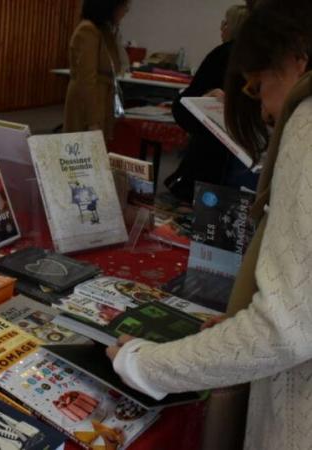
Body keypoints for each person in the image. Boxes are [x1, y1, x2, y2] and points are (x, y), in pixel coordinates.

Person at [106, 2, 312, 450]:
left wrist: (144, 364)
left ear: (296, 59)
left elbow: (285, 328)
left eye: (258, 89)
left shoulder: (308, 120)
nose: (263, 113)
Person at [165, 4, 253, 202]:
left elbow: (184, 107)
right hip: (242, 163)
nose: (221, 27)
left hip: (212, 162)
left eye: (225, 23)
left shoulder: (223, 54)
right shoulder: (256, 58)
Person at [63, 0, 130, 138]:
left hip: (100, 99)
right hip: (88, 103)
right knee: (84, 151)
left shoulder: (105, 31)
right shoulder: (88, 30)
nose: (126, 11)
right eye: (123, 6)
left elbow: (121, 64)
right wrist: (92, 120)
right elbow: (86, 79)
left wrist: (116, 33)